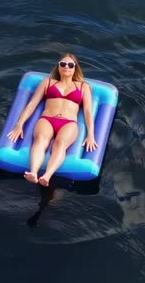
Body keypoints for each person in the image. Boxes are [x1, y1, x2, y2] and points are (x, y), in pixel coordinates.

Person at [6, 53, 99, 185]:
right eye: (63, 64)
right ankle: (33, 172)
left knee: (60, 144)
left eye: (70, 65)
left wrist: (91, 134)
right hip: (47, 119)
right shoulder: (47, 82)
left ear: (75, 68)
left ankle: (47, 176)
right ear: (58, 67)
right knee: (40, 140)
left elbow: (88, 111)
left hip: (69, 123)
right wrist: (19, 124)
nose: (66, 67)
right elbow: (32, 104)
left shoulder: (83, 86)